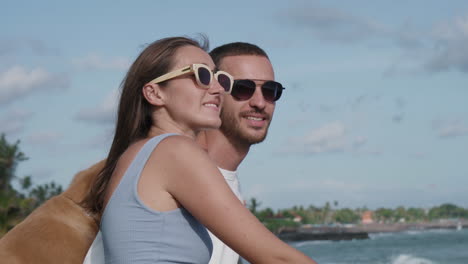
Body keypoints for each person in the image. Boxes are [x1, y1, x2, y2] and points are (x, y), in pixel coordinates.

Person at [81, 36, 316, 264]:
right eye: (201, 75)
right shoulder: (175, 151)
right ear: (155, 93)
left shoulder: (134, 156)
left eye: (218, 78)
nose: (217, 89)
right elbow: (276, 257)